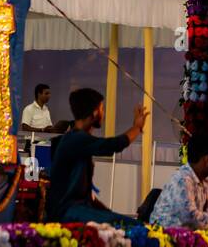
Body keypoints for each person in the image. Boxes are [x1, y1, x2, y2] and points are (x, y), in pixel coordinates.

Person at [45, 89, 146, 224]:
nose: (103, 114)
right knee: (134, 227)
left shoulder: (78, 140)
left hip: (76, 209)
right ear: (94, 112)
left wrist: (108, 213)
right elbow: (113, 145)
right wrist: (137, 128)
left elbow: (87, 197)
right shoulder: (75, 139)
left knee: (128, 224)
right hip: (67, 212)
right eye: (102, 109)